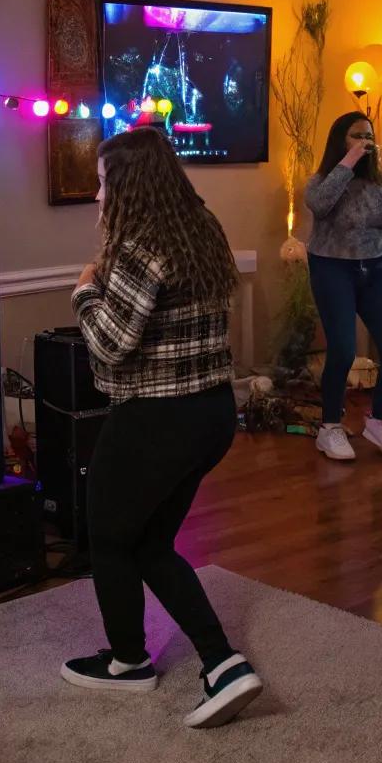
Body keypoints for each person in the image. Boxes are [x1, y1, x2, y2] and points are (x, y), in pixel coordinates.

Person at [65, 126, 263, 728]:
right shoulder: (200, 230)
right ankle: (219, 663)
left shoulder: (137, 247)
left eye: (101, 184)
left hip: (156, 419)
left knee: (107, 535)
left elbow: (109, 342)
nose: (97, 197)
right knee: (147, 542)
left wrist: (83, 292)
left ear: (126, 186)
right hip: (210, 415)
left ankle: (135, 663)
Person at [304, 112, 382, 461]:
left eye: (369, 136)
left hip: (375, 270)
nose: (366, 142)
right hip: (331, 268)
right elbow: (321, 205)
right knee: (342, 349)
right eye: (357, 136)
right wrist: (350, 160)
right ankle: (329, 428)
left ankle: (379, 420)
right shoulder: (323, 179)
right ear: (340, 139)